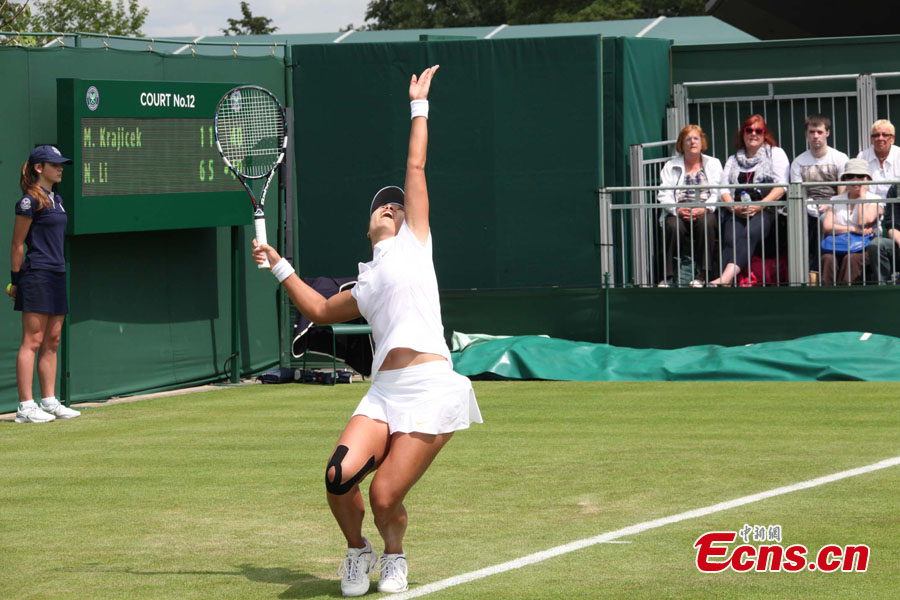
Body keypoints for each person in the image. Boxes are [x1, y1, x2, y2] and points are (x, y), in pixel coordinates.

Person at [252, 66, 482, 597]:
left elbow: (415, 164)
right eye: (382, 203)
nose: (390, 205)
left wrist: (418, 107)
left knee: (383, 497)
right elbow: (318, 307)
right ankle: (358, 552)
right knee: (337, 477)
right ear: (369, 223)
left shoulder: (416, 244)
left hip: (430, 389)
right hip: (383, 393)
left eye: (397, 204)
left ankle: (394, 557)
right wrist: (281, 264)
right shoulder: (367, 280)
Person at [8, 145, 80, 423]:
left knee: (53, 339)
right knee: (33, 340)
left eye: (61, 164)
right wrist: (16, 281)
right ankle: (26, 407)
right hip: (36, 275)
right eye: (55, 164)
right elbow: (17, 244)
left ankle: (49, 401)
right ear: (39, 168)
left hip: (56, 274)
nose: (60, 168)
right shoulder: (29, 201)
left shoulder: (56, 200)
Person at [710, 114, 790, 286]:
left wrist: (760, 205)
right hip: (737, 208)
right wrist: (733, 208)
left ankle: (725, 279)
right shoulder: (733, 159)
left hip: (767, 209)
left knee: (751, 231)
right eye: (749, 130)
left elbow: (782, 186)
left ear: (764, 134)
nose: (753, 134)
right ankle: (728, 284)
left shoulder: (775, 154)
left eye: (758, 130)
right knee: (730, 236)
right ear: (743, 133)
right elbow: (724, 189)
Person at [656, 125, 723, 286]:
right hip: (678, 209)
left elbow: (718, 192)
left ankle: (703, 276)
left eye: (696, 138)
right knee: (672, 226)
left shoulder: (714, 163)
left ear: (702, 142)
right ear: (681, 144)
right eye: (688, 139)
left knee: (707, 223)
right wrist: (676, 210)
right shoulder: (670, 166)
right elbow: (663, 194)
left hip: (705, 208)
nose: (692, 142)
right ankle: (668, 277)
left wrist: (705, 208)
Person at [789, 114, 849, 273]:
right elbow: (797, 192)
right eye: (812, 132)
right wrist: (809, 205)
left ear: (827, 133)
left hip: (836, 207)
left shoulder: (840, 158)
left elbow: (843, 191)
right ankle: (802, 272)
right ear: (806, 134)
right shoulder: (798, 162)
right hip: (806, 208)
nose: (816, 136)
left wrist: (830, 205)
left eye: (819, 132)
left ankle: (815, 271)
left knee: (823, 220)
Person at [820, 159, 881, 285]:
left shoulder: (875, 199)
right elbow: (826, 226)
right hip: (838, 245)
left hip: (865, 248)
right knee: (827, 258)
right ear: (845, 179)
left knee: (851, 259)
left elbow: (862, 221)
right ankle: (826, 296)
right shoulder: (835, 199)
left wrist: (862, 197)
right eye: (850, 176)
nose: (854, 180)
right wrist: (854, 229)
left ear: (867, 179)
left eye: (859, 176)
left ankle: (846, 296)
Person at [856, 119, 900, 200]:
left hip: (897, 205)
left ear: (892, 139)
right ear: (871, 139)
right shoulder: (862, 157)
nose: (880, 138)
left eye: (885, 135)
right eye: (876, 135)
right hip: (870, 205)